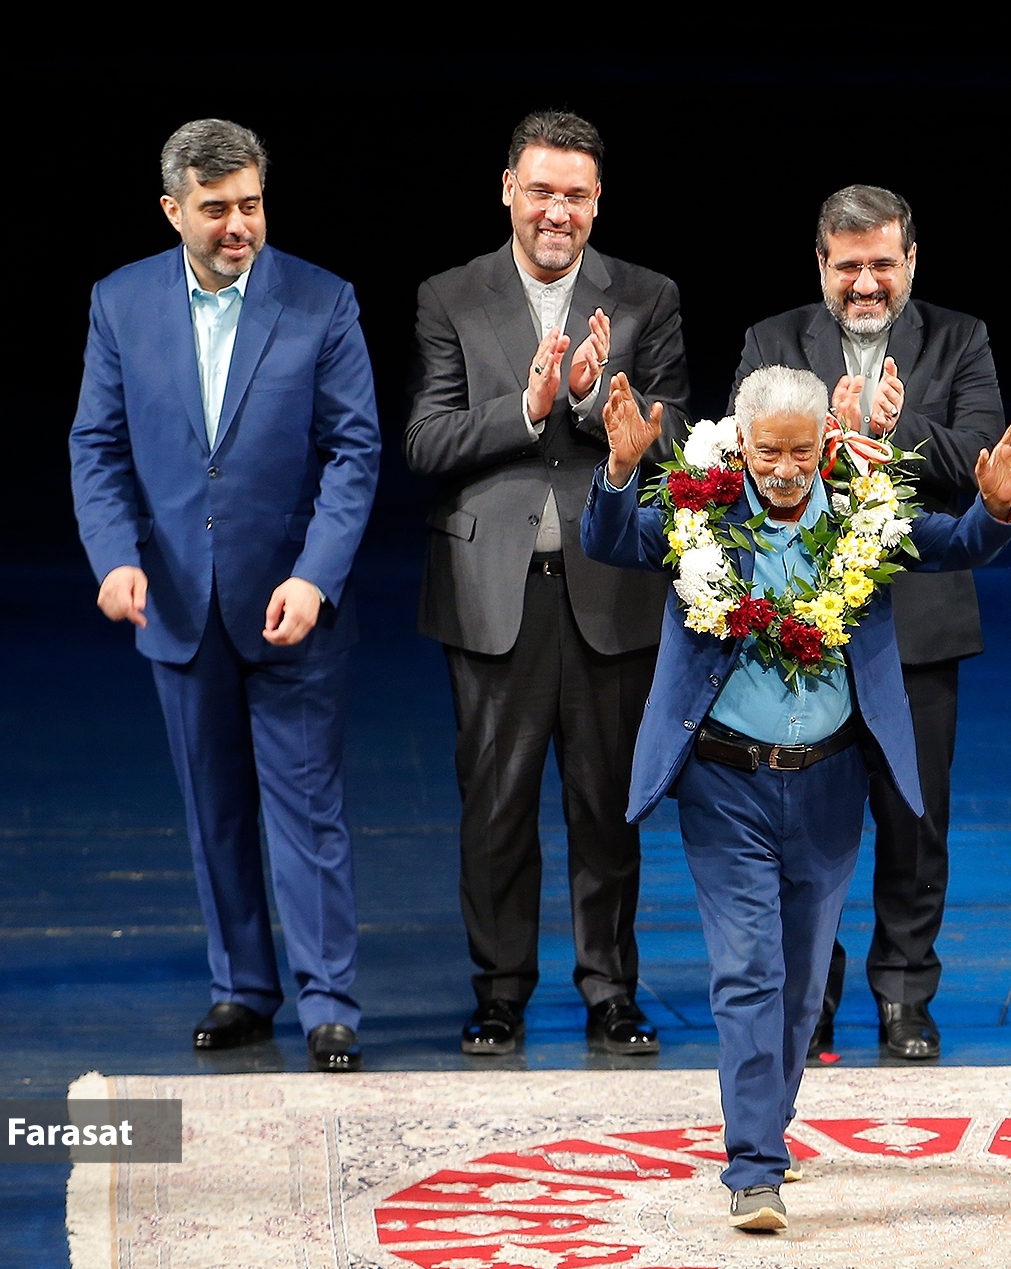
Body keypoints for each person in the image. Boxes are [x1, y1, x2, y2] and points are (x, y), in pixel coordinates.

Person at [583, 364, 1011, 1229]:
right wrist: (618, 471)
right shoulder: (700, 512)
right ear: (742, 443)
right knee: (747, 971)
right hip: (725, 783)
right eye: (769, 452)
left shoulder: (866, 510)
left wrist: (993, 508)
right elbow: (609, 539)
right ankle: (753, 1166)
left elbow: (954, 545)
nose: (787, 469)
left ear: (825, 441)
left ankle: (769, 1120)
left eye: (801, 451)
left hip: (830, 783)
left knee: (800, 986)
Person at [68, 119, 382, 1072]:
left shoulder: (322, 301)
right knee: (215, 811)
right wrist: (113, 558)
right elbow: (96, 446)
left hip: (291, 603)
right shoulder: (120, 302)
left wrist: (315, 575)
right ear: (174, 210)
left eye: (250, 204)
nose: (237, 224)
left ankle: (329, 1003)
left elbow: (354, 451)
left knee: (308, 812)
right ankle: (244, 987)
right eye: (215, 209)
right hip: (175, 603)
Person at [405, 110, 689, 1057]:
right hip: (494, 592)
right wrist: (527, 408)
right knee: (496, 804)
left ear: (597, 201)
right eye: (541, 191)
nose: (556, 211)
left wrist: (590, 400)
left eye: (575, 194)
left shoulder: (645, 296)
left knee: (607, 804)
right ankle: (499, 992)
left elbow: (680, 435)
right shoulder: (450, 295)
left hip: (609, 587)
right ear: (507, 191)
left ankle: (612, 989)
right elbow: (426, 439)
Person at [731, 185, 1007, 1061]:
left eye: (882, 264)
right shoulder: (772, 341)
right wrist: (827, 432)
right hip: (801, 631)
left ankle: (904, 995)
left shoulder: (959, 338)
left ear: (910, 261)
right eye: (847, 266)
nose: (865, 283)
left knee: (914, 820)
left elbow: (982, 459)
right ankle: (809, 994)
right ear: (821, 265)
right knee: (802, 824)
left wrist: (890, 431)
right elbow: (740, 460)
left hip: (917, 625)